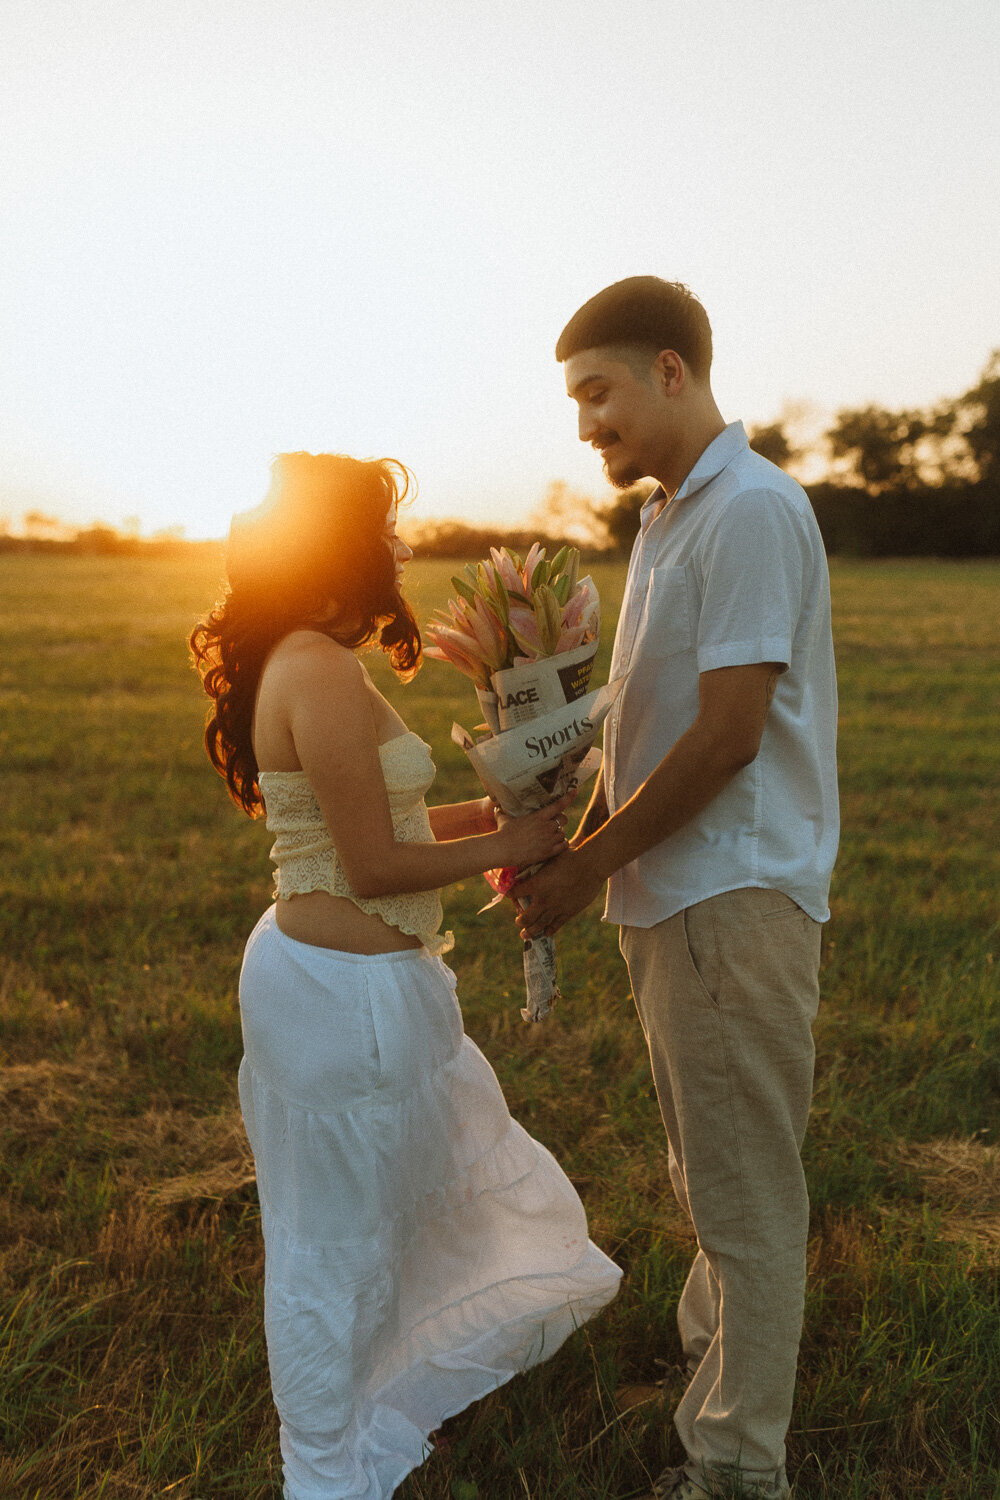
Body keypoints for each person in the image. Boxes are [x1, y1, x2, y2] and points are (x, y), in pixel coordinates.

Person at [189, 451, 621, 1500]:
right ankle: (324, 1470)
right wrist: (504, 841)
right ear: (339, 546)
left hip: (346, 980)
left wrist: (493, 816)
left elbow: (371, 831)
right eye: (383, 528)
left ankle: (372, 1411)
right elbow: (376, 866)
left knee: (378, 1215)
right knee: (330, 1242)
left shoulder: (312, 661)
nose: (398, 545)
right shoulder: (319, 670)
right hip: (340, 996)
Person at [515, 278, 839, 1500]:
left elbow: (727, 738)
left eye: (596, 392)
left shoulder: (748, 509)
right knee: (712, 1177)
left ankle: (737, 1473)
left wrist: (588, 862)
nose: (583, 423)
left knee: (748, 1201)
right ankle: (717, 1385)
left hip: (727, 893)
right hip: (677, 896)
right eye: (572, 402)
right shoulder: (667, 520)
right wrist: (565, 835)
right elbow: (651, 737)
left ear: (668, 369)